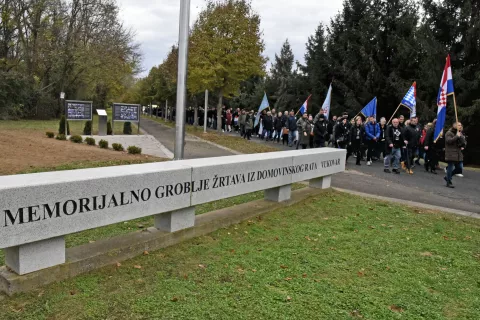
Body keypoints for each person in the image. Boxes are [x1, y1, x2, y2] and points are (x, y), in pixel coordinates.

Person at [444, 122, 466, 188]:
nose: (460, 126)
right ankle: (449, 181)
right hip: (451, 153)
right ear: (454, 125)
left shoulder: (460, 133)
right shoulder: (449, 133)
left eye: (460, 125)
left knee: (459, 168)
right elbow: (449, 141)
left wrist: (461, 137)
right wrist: (456, 136)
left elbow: (463, 143)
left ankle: (448, 177)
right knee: (450, 167)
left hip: (458, 153)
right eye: (458, 125)